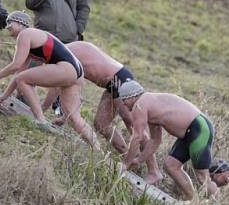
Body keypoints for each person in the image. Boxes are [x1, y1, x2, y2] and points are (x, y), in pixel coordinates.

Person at [42, 41, 162, 183]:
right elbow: (73, 90)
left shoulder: (66, 53)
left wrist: (40, 111)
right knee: (101, 124)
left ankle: (154, 171)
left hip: (120, 80)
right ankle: (128, 159)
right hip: (112, 83)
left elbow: (56, 86)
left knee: (134, 125)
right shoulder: (67, 51)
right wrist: (65, 116)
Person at [0, 11, 99, 151]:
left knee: (23, 80)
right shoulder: (32, 37)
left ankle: (40, 119)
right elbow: (19, 72)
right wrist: (3, 97)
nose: (7, 26)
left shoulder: (25, 34)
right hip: (77, 72)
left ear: (20, 23)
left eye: (10, 22)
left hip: (67, 68)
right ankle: (97, 148)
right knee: (74, 117)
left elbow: (16, 67)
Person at [118, 81, 216, 200]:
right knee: (171, 166)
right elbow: (155, 140)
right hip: (190, 131)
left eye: (124, 99)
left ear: (132, 96)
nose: (123, 103)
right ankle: (193, 202)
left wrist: (126, 164)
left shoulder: (140, 105)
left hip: (200, 128)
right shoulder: (151, 106)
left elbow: (137, 137)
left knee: (202, 175)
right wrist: (138, 160)